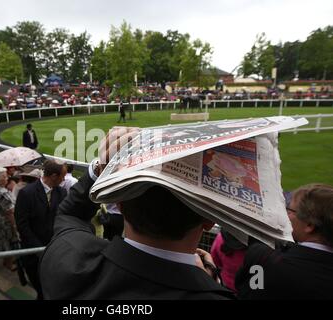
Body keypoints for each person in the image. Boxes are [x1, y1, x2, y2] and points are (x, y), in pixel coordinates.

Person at [39, 127, 234, 299]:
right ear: (209, 220)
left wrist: (101, 168)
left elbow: (69, 215)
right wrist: (209, 285)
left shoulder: (68, 258)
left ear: (119, 202)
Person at [235, 183, 333, 300]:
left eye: (290, 210)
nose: (286, 214)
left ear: (309, 225)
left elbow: (246, 293)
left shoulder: (263, 259)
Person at [15, 160, 67, 299]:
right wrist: (39, 250)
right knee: (42, 292)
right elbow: (22, 225)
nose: (64, 179)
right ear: (54, 176)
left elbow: (64, 218)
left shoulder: (62, 192)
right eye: (63, 176)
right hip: (35, 255)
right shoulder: (26, 193)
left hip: (55, 252)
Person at [0, 168, 19, 271]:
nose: (8, 178)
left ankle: (7, 261)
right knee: (8, 243)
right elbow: (10, 212)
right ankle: (9, 264)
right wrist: (15, 227)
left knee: (2, 242)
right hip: (4, 222)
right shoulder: (3, 193)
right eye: (5, 176)